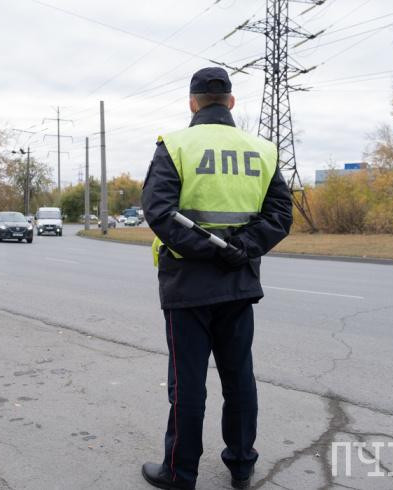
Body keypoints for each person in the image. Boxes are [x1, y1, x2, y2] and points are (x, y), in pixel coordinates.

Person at [140, 67, 293, 490]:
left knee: (188, 383)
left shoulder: (175, 145)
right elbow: (280, 215)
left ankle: (180, 472)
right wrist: (239, 249)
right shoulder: (262, 149)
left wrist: (210, 250)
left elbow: (159, 212)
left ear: (192, 102)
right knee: (239, 377)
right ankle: (242, 465)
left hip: (187, 284)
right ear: (231, 102)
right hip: (238, 283)